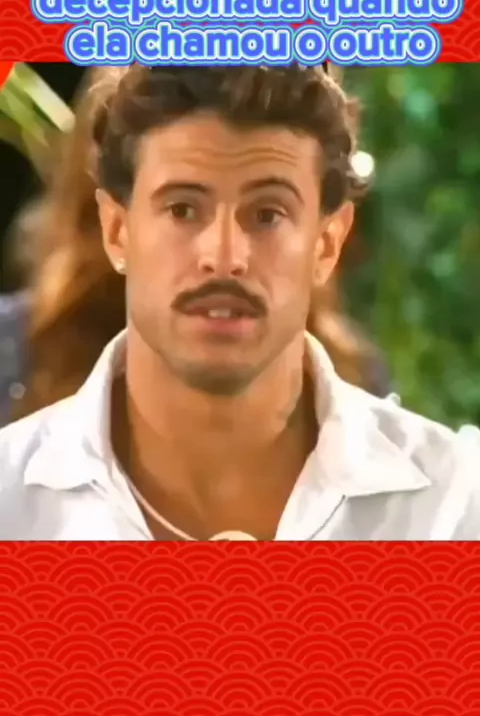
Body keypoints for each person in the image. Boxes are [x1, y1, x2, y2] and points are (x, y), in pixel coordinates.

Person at [2, 63, 468, 542]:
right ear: (116, 230)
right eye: (183, 209)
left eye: (267, 214)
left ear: (328, 243)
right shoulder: (11, 501)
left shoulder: (448, 509)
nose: (224, 258)